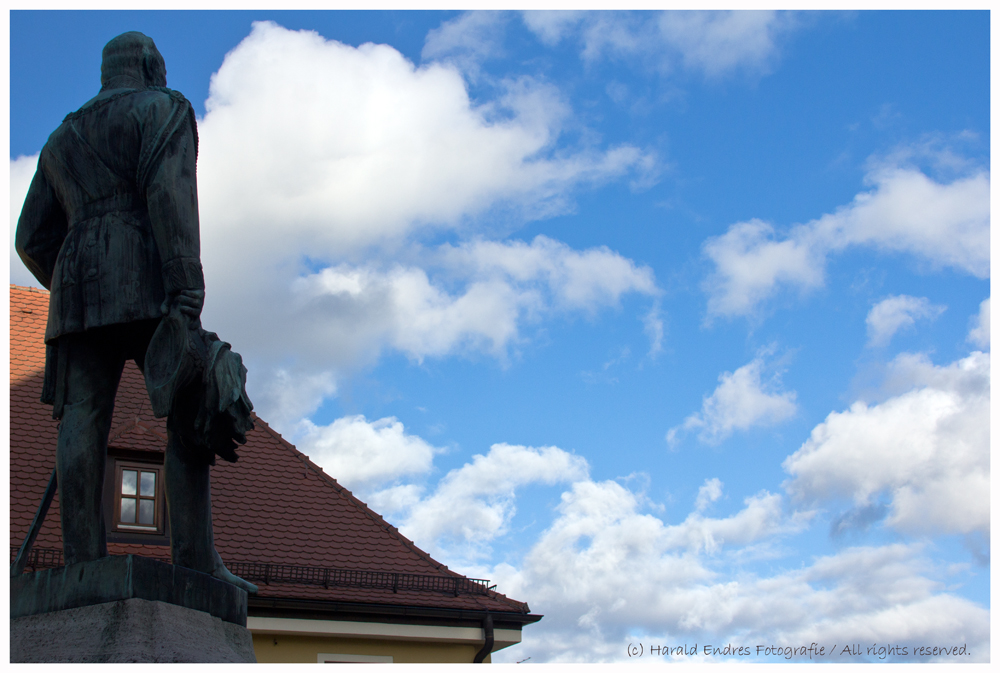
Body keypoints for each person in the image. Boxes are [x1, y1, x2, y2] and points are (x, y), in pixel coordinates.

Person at [15, 31, 255, 594]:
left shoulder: (60, 138)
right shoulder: (163, 108)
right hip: (146, 273)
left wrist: (72, 282)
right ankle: (195, 561)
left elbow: (29, 238)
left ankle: (82, 560)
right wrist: (186, 289)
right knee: (191, 403)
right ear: (150, 65)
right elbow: (171, 197)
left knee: (82, 417)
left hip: (76, 283)